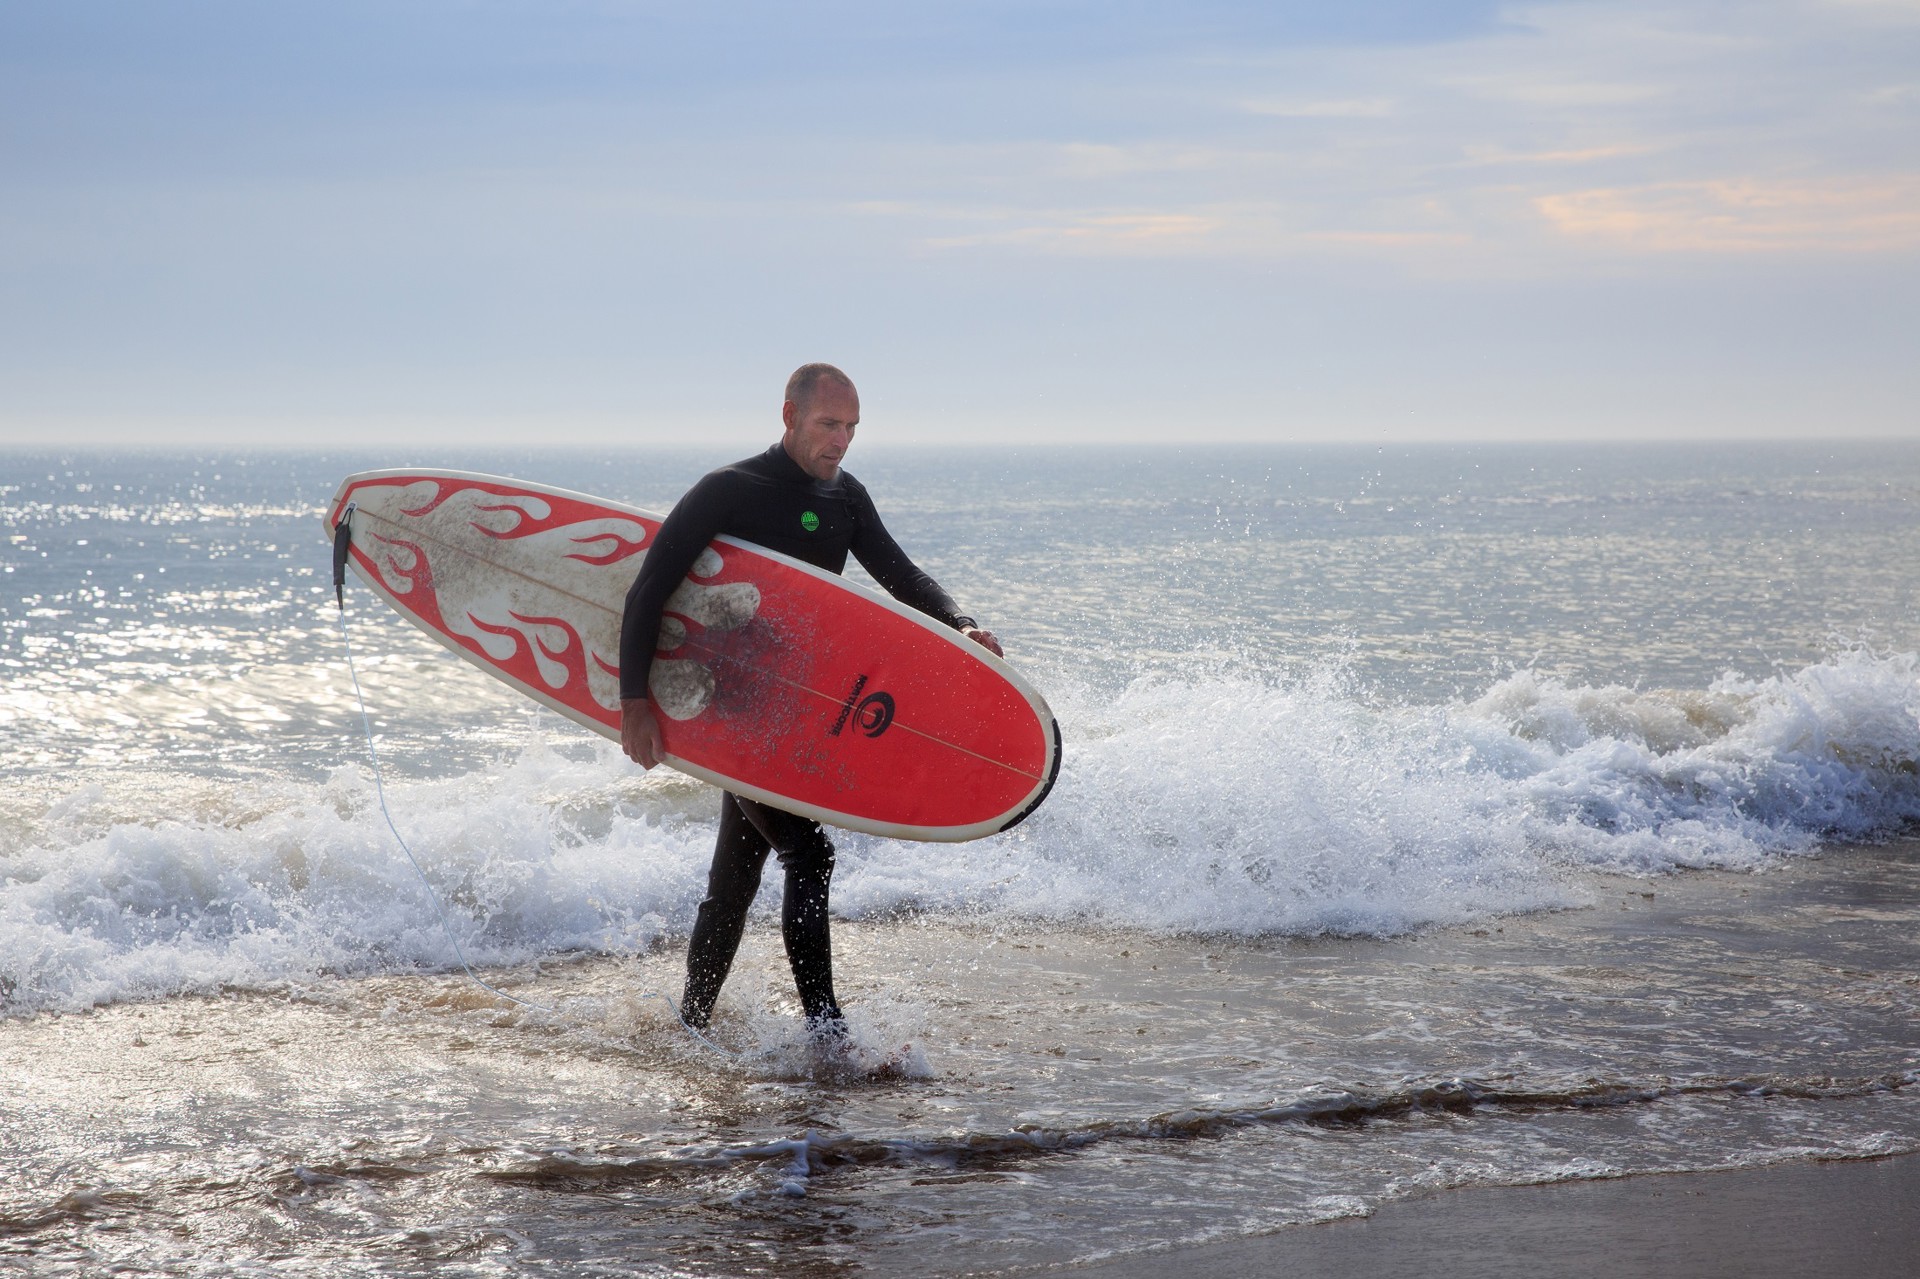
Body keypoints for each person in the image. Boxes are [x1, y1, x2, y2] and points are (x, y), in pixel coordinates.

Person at [618, 363, 1001, 1039]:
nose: (841, 441)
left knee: (737, 878)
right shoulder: (729, 491)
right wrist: (636, 703)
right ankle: (826, 1034)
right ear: (789, 416)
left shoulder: (844, 499)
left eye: (852, 427)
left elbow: (901, 572)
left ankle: (692, 1024)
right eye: (829, 424)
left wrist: (960, 622)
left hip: (793, 714)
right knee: (810, 854)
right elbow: (649, 588)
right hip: (732, 713)